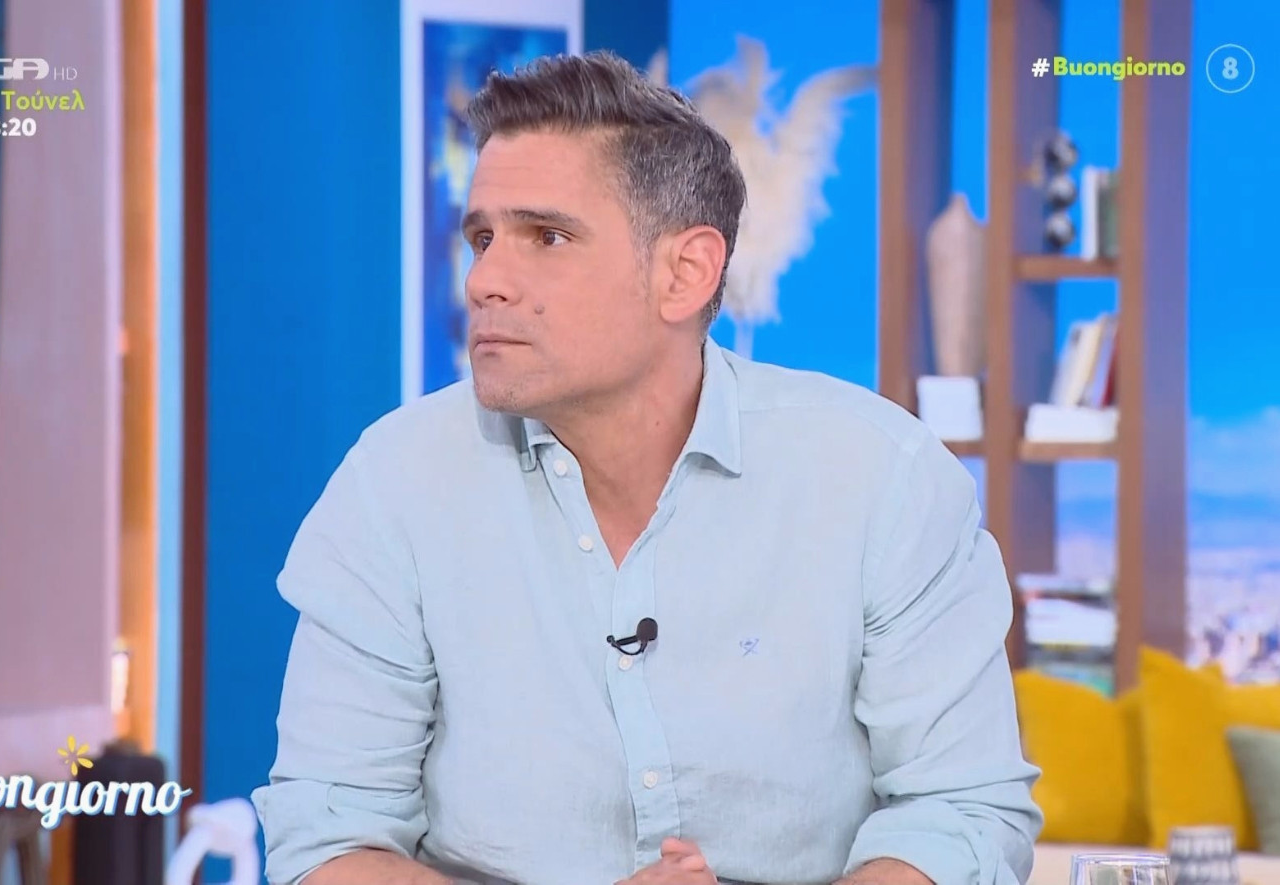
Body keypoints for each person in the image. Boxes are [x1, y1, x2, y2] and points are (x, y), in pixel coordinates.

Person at [252, 50, 1042, 885]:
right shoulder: (394, 484)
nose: (484, 280)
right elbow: (328, 840)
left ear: (685, 273)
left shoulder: (883, 478)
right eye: (482, 238)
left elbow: (962, 815)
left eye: (546, 236)